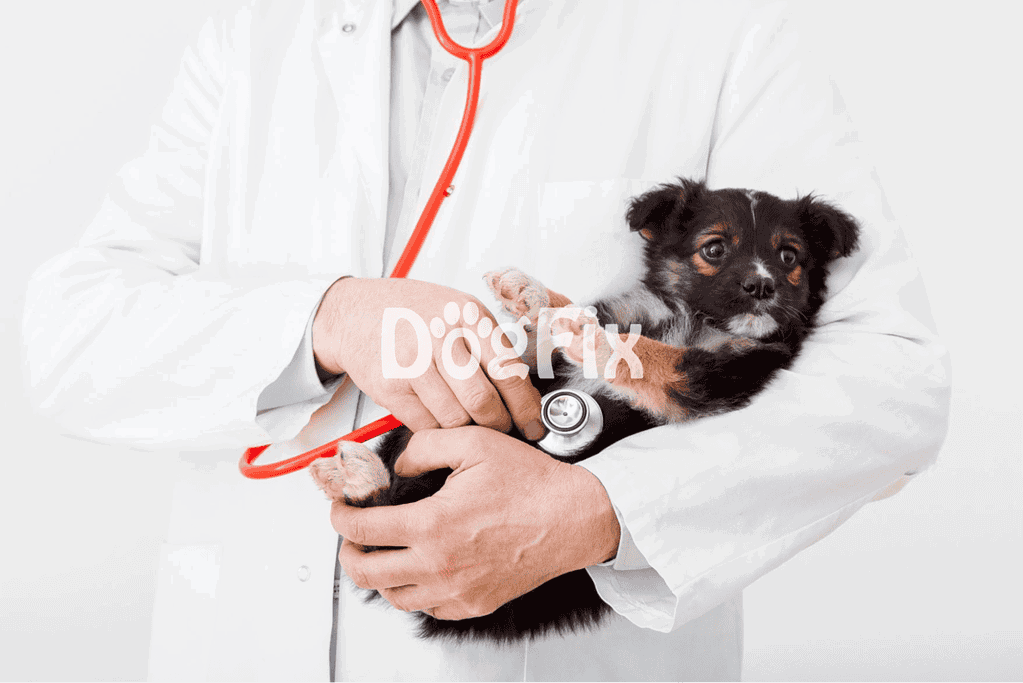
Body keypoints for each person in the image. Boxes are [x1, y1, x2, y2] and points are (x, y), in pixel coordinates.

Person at [21, 0, 951, 680]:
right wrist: (327, 317)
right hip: (239, 647)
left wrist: (600, 509)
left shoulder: (711, 35)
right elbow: (73, 333)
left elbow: (891, 376)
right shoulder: (257, 34)